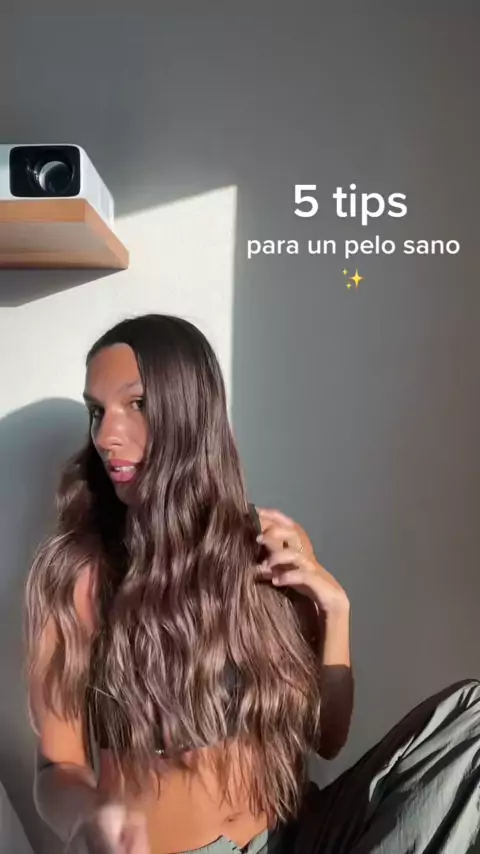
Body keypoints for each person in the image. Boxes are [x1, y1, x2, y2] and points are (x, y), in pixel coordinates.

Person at [24, 314, 480, 854]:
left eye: (136, 404)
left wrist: (335, 612)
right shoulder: (79, 574)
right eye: (97, 412)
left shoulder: (267, 543)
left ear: (191, 411)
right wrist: (89, 816)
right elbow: (56, 769)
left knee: (472, 716)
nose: (105, 436)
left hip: (299, 835)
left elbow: (328, 738)